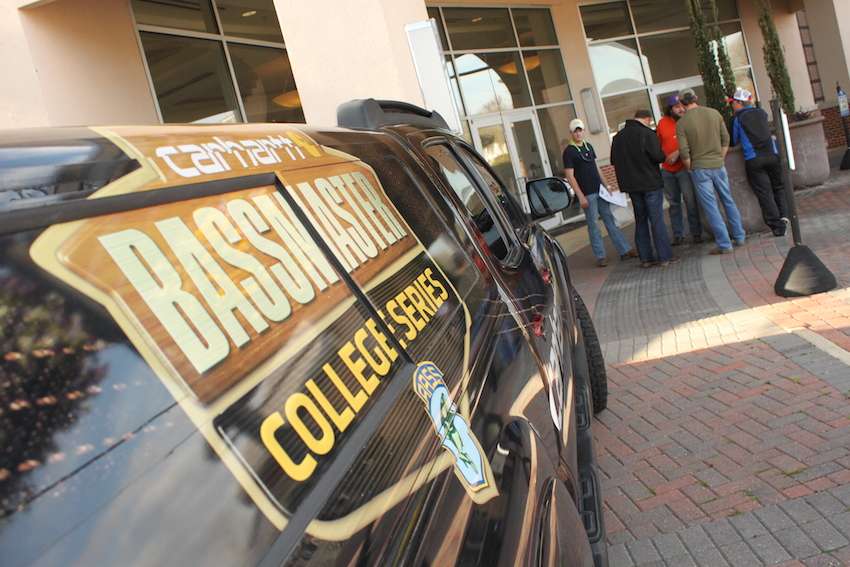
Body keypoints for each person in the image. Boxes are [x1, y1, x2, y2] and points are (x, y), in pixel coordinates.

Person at [676, 90, 746, 255]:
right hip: (718, 164)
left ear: (682, 104)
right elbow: (726, 139)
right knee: (728, 200)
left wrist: (691, 167)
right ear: (696, 98)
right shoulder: (714, 113)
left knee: (711, 207)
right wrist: (720, 157)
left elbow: (684, 152)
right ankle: (739, 236)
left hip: (699, 168)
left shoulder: (682, 123)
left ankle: (725, 244)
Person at [562, 118, 636, 267]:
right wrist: (580, 196)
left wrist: (606, 185)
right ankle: (600, 256)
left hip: (600, 191)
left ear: (583, 131)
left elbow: (596, 167)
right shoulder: (569, 152)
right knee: (593, 225)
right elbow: (570, 176)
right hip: (587, 194)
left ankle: (624, 250)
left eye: (580, 130)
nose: (578, 133)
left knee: (610, 220)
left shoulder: (588, 146)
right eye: (575, 131)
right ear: (571, 133)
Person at [611, 110, 678, 268]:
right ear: (647, 119)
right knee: (656, 220)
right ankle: (664, 257)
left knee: (640, 220)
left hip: (632, 186)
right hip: (650, 183)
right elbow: (658, 157)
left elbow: (614, 160)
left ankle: (646, 258)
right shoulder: (647, 134)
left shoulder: (618, 138)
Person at [729, 87, 789, 236]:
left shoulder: (738, 118)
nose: (731, 105)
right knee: (779, 187)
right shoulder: (762, 113)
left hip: (754, 159)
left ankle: (777, 226)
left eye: (733, 103)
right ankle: (785, 216)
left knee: (764, 193)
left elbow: (734, 140)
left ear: (739, 103)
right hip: (773, 155)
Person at [657, 95, 702, 245]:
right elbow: (658, 144)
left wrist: (677, 153)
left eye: (682, 106)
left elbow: (694, 142)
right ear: (670, 109)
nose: (681, 109)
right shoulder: (662, 123)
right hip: (667, 170)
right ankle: (678, 234)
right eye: (677, 107)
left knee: (690, 201)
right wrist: (664, 156)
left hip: (684, 168)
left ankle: (696, 233)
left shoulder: (688, 120)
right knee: (674, 204)